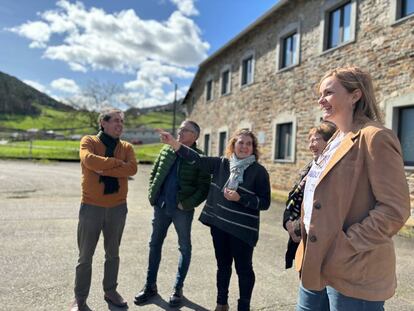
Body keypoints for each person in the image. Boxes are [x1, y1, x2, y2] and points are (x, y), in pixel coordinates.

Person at [295, 66, 410, 311]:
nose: (320, 100)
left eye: (328, 93)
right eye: (320, 93)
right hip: (314, 263)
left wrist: (345, 247)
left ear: (354, 95)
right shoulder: (334, 139)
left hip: (354, 270)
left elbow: (394, 209)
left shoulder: (375, 137)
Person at [158, 128, 271, 311]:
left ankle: (244, 306)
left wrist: (240, 198)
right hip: (220, 226)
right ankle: (221, 303)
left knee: (244, 270)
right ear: (233, 145)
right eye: (240, 142)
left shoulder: (259, 172)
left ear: (253, 148)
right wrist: (174, 143)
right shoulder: (221, 164)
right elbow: (197, 159)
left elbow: (265, 203)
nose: (244, 146)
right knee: (223, 266)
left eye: (248, 143)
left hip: (242, 230)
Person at [134, 121, 210, 308]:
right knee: (154, 245)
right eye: (180, 129)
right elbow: (154, 173)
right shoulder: (166, 150)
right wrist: (153, 195)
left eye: (185, 130)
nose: (180, 132)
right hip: (161, 207)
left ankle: (178, 289)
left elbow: (203, 188)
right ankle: (150, 286)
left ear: (195, 136)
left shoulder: (199, 158)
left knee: (184, 247)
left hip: (182, 210)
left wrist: (187, 204)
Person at [70, 109, 138, 311]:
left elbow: (132, 169)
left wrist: (106, 166)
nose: (120, 125)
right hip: (91, 207)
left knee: (113, 253)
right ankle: (79, 298)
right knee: (85, 256)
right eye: (116, 121)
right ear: (103, 123)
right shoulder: (89, 141)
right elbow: (89, 160)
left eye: (122, 122)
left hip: (117, 207)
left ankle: (110, 290)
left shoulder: (126, 146)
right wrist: (118, 164)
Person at [283, 121, 336, 269]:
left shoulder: (336, 171)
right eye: (310, 140)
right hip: (302, 238)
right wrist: (288, 222)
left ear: (331, 141)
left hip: (322, 242)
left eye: (315, 140)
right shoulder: (309, 168)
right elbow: (292, 198)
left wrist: (298, 228)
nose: (311, 145)